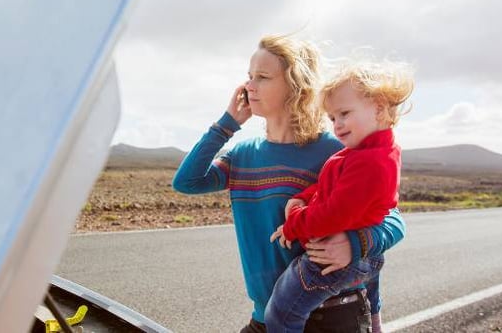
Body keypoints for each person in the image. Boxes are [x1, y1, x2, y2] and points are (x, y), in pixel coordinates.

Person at [172, 35, 406, 332]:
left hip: (332, 319)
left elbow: (392, 218)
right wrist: (227, 124)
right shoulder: (242, 155)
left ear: (295, 87)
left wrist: (355, 243)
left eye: (263, 77)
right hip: (266, 319)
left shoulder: (336, 150)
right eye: (249, 76)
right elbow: (187, 182)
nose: (249, 86)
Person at [265, 58, 414, 332]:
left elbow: (334, 213)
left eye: (344, 113)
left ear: (379, 109)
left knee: (280, 315)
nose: (337, 124)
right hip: (365, 256)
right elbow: (334, 184)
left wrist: (293, 224)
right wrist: (306, 196)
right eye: (333, 118)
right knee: (371, 301)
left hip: (334, 258)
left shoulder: (369, 160)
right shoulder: (366, 151)